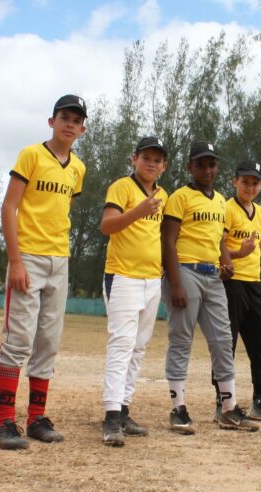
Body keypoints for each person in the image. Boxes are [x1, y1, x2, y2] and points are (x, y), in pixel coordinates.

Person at [0, 95, 87, 450]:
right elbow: (9, 206)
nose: (69, 124)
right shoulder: (32, 155)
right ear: (52, 121)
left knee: (48, 340)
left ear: (82, 129)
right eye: (64, 117)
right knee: (18, 339)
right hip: (28, 257)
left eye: (76, 120)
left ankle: (35, 418)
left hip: (58, 260)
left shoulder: (77, 167)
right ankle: (4, 422)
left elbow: (63, 211)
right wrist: (15, 260)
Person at [162, 141, 259, 434]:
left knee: (222, 341)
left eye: (212, 164)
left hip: (213, 276)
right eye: (201, 164)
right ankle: (178, 408)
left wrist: (226, 262)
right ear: (190, 167)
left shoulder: (219, 201)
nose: (207, 169)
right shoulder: (180, 197)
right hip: (186, 272)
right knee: (181, 341)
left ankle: (228, 409)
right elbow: (168, 240)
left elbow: (218, 241)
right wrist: (175, 282)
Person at [99, 136, 169, 447]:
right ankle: (111, 416)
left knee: (139, 347)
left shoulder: (162, 195)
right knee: (122, 344)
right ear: (134, 159)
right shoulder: (122, 188)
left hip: (151, 278)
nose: (151, 163)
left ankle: (124, 408)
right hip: (123, 276)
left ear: (164, 166)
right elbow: (108, 225)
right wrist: (138, 211)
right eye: (146, 158)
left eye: (157, 160)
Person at [216, 160, 261, 422]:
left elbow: (258, 247)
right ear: (235, 181)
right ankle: (222, 402)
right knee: (228, 341)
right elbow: (217, 245)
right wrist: (238, 253)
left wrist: (249, 254)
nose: (250, 186)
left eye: (255, 182)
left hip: (253, 282)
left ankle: (260, 400)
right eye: (245, 181)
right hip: (231, 281)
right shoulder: (226, 208)